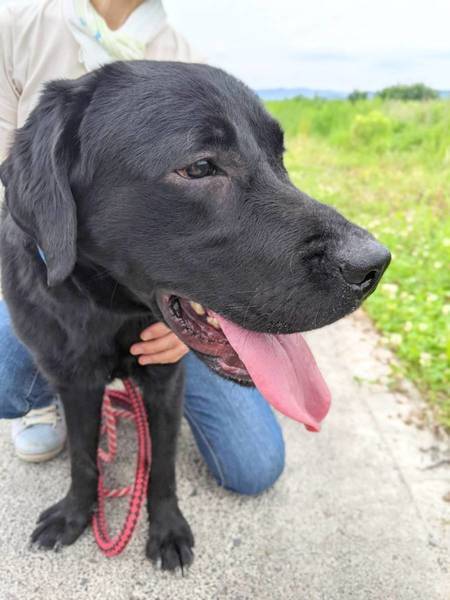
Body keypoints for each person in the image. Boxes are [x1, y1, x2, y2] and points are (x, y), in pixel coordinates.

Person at [0, 0, 284, 494]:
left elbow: (235, 201)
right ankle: (50, 397)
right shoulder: (17, 30)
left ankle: (160, 375)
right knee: (6, 381)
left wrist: (194, 321)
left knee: (254, 466)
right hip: (50, 268)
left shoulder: (184, 56)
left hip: (156, 293)